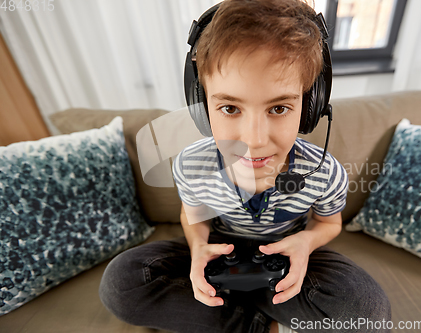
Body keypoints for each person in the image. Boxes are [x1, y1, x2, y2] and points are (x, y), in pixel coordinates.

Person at [99, 1, 391, 332]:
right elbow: (192, 216)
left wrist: (306, 243)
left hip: (285, 252)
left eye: (279, 108)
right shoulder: (192, 165)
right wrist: (197, 248)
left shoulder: (325, 172)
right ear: (201, 106)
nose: (254, 140)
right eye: (230, 108)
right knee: (121, 284)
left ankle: (244, 306)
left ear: (310, 107)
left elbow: (330, 222)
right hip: (220, 251)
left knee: (368, 314)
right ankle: (252, 321)